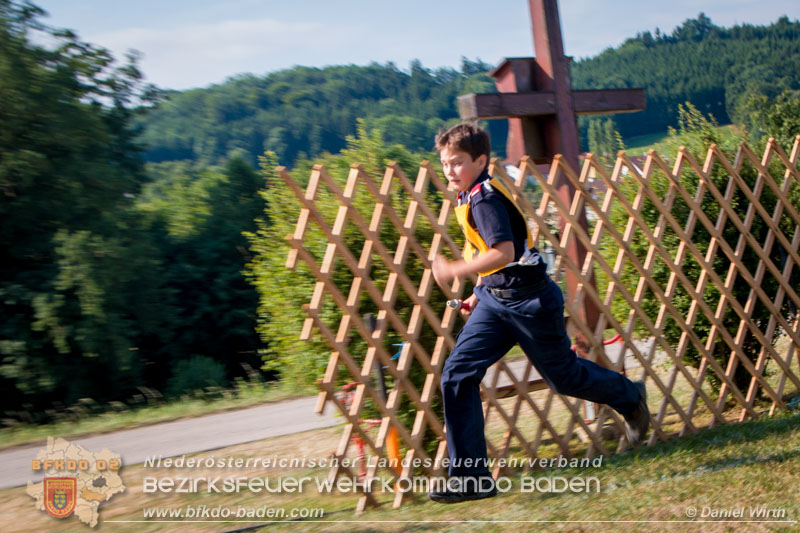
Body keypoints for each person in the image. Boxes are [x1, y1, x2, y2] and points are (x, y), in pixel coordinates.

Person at [428, 122, 650, 504]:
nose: (450, 170)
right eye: (446, 163)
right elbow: (493, 260)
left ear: (481, 160)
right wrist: (479, 293)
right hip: (496, 299)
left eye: (458, 162)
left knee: (563, 378)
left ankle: (629, 396)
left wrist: (454, 271)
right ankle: (471, 478)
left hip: (530, 302)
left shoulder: (485, 198)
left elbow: (506, 253)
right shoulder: (467, 196)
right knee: (457, 373)